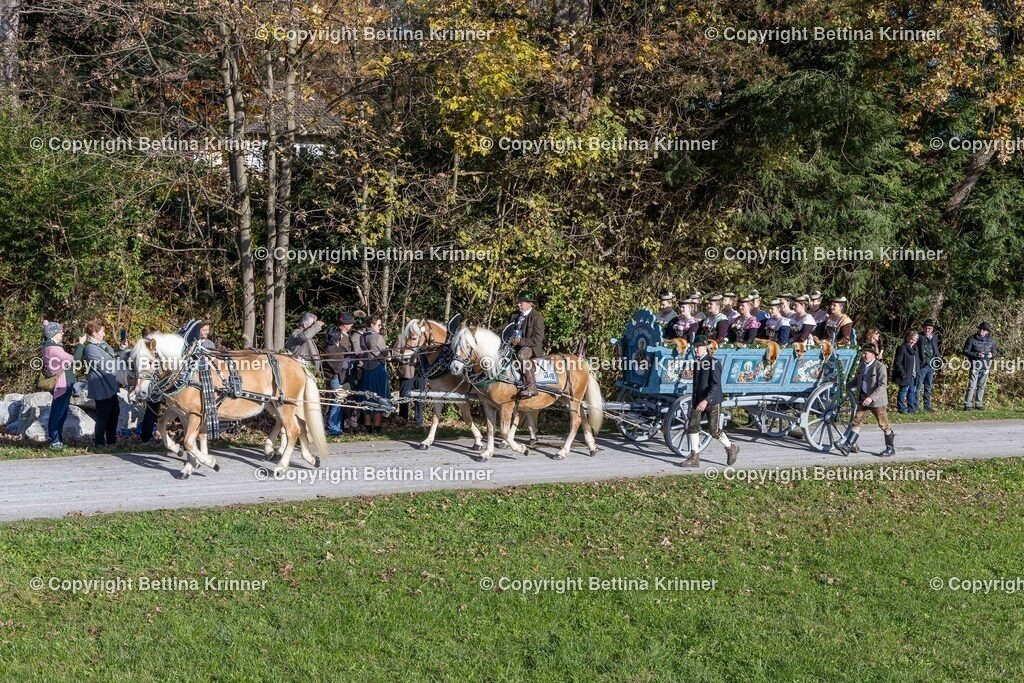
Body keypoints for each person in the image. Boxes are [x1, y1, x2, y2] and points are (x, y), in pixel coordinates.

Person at [678, 335, 739, 467]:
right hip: (698, 400)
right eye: (695, 347)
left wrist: (706, 400)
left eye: (698, 347)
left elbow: (715, 385)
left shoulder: (713, 363)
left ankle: (731, 448)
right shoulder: (697, 362)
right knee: (692, 426)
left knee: (714, 430)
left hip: (712, 401)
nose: (696, 349)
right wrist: (696, 399)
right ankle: (694, 458)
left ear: (705, 347)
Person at [836, 344, 896, 457]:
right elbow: (856, 380)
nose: (863, 355)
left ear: (873, 354)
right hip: (863, 399)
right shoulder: (862, 365)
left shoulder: (880, 367)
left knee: (884, 425)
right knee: (856, 421)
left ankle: (890, 448)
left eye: (865, 353)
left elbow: (882, 385)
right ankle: (847, 446)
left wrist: (871, 397)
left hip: (877, 402)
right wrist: (844, 387)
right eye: (862, 353)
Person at [74, 319, 121, 447]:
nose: (104, 334)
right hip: (101, 387)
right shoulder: (90, 349)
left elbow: (114, 356)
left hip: (111, 385)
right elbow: (107, 365)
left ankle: (111, 441)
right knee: (103, 416)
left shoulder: (103, 344)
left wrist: (121, 349)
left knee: (114, 413)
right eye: (102, 332)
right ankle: (99, 442)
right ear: (94, 333)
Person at [40, 321, 76, 449]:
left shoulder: (52, 345)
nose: (62, 333)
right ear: (53, 333)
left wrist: (46, 325)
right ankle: (54, 440)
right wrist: (81, 344)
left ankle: (58, 438)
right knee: (58, 412)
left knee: (62, 412)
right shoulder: (53, 349)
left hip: (65, 382)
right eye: (60, 331)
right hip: (61, 383)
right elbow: (74, 359)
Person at [322, 313, 356, 436]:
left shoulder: (338, 347)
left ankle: (337, 427)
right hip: (334, 378)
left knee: (340, 401)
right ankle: (333, 428)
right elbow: (336, 365)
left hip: (340, 377)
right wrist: (346, 364)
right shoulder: (330, 348)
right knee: (336, 402)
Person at [507, 292, 545, 398]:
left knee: (522, 355)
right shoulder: (514, 315)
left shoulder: (537, 317)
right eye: (518, 303)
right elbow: (503, 328)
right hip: (513, 344)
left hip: (531, 347)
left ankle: (531, 387)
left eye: (521, 303)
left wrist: (520, 341)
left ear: (529, 304)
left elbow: (537, 339)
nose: (518, 305)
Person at [357, 314, 391, 433]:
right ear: (372, 324)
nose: (380, 327)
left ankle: (367, 427)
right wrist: (388, 351)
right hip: (377, 369)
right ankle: (377, 427)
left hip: (367, 369)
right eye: (379, 325)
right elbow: (385, 353)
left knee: (367, 396)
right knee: (378, 397)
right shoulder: (378, 337)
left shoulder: (362, 337)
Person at [137, 326, 163, 443]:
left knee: (154, 409)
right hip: (148, 383)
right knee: (151, 410)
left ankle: (149, 433)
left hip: (155, 382)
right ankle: (146, 436)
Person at [963, 322, 996, 410]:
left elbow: (995, 353)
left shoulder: (991, 341)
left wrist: (992, 355)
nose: (982, 330)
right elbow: (965, 351)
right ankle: (968, 404)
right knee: (972, 386)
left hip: (985, 366)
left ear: (987, 331)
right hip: (975, 365)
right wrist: (976, 354)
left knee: (981, 386)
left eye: (984, 329)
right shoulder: (971, 339)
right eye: (981, 328)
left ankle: (979, 404)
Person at [893, 331, 921, 413]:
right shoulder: (902, 348)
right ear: (908, 338)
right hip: (905, 375)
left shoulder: (915, 349)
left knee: (912, 392)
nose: (913, 342)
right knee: (903, 392)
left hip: (913, 375)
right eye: (912, 339)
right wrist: (903, 374)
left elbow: (917, 362)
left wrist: (917, 372)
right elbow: (898, 363)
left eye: (915, 340)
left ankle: (911, 409)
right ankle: (901, 408)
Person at [916, 319, 941, 412]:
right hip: (922, 365)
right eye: (926, 328)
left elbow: (936, 351)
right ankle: (915, 406)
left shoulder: (934, 337)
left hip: (931, 365)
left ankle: (927, 406)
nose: (927, 330)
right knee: (918, 386)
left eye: (929, 328)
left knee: (928, 386)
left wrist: (938, 363)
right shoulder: (919, 337)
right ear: (923, 328)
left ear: (932, 329)